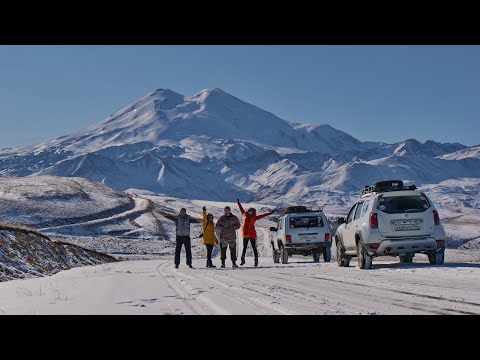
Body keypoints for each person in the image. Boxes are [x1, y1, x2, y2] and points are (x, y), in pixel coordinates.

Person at [237, 199, 274, 267]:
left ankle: (256, 260)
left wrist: (269, 213)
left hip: (252, 234)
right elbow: (241, 209)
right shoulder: (245, 214)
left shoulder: (255, 217)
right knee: (244, 247)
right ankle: (242, 260)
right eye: (249, 211)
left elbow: (263, 215)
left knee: (254, 247)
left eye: (251, 211)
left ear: (253, 212)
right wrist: (238, 203)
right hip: (245, 233)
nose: (249, 212)